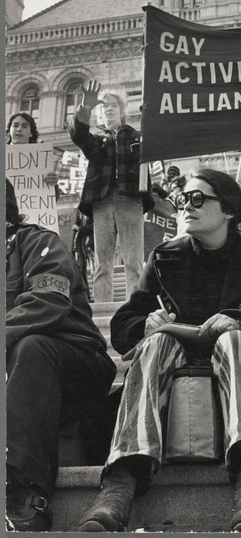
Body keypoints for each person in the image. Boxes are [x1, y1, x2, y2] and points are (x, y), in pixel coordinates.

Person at [76, 169, 241, 533]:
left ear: (229, 211)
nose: (186, 206)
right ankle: (120, 482)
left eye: (198, 198)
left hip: (237, 367)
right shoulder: (163, 257)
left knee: (234, 341)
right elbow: (126, 322)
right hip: (174, 369)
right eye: (182, 199)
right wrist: (145, 323)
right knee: (158, 340)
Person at [6, 179, 116, 532]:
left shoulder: (39, 242)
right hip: (21, 376)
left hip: (74, 362)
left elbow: (47, 302)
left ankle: (26, 493)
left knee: (32, 345)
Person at [69, 81, 154, 302]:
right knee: (102, 262)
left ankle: (133, 308)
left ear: (122, 111)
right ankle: (102, 309)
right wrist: (85, 108)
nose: (108, 109)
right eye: (104, 106)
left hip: (130, 199)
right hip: (103, 200)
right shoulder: (96, 140)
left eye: (114, 105)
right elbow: (78, 134)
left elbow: (157, 143)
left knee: (134, 262)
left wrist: (152, 116)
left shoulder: (137, 137)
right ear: (99, 114)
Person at [6, 111, 60, 191]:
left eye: (24, 126)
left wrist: (53, 185)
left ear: (31, 133)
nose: (19, 129)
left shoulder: (42, 160)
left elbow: (47, 198)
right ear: (9, 131)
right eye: (15, 125)